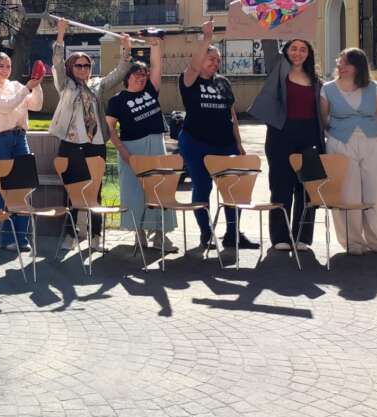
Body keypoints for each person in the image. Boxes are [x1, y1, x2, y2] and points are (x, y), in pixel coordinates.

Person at [50, 21, 133, 248]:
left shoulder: (97, 85)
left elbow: (119, 74)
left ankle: (95, 235)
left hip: (95, 144)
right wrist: (60, 33)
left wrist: (126, 49)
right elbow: (56, 63)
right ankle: (71, 234)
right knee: (71, 191)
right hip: (71, 143)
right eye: (79, 65)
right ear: (70, 67)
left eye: (87, 65)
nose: (84, 69)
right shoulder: (65, 84)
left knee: (95, 190)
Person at [178, 19, 258, 250]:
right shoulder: (189, 80)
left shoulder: (223, 82)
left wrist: (239, 143)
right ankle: (206, 233)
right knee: (203, 187)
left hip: (225, 144)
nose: (216, 62)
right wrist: (207, 39)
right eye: (211, 58)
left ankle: (233, 234)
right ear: (200, 59)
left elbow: (232, 114)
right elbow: (193, 67)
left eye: (218, 60)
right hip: (196, 142)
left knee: (234, 189)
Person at [320, 47, 377, 256]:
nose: (340, 65)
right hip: (340, 143)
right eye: (340, 62)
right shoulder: (327, 89)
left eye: (346, 62)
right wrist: (339, 133)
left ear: (358, 66)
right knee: (347, 194)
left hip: (372, 143)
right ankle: (353, 242)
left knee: (376, 193)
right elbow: (324, 118)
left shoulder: (374, 87)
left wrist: (368, 134)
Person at [249, 39, 323, 252]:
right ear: (286, 50)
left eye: (303, 49)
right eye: (293, 48)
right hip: (281, 134)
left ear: (309, 53)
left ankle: (303, 237)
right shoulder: (278, 68)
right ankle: (280, 236)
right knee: (281, 185)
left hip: (309, 135)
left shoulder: (316, 80)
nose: (298, 53)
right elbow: (269, 42)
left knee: (306, 189)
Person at [105, 35, 177, 250]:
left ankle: (160, 236)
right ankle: (139, 234)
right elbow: (110, 129)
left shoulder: (150, 90)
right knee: (134, 192)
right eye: (137, 74)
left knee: (158, 189)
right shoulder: (117, 101)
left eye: (144, 74)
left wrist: (155, 45)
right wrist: (123, 152)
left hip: (156, 144)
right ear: (127, 77)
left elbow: (157, 65)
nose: (142, 77)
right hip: (131, 148)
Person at [0, 50, 44, 251]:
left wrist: (38, 83)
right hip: (0, 139)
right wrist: (27, 88)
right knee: (2, 189)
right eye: (1, 65)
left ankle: (22, 238)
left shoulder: (16, 86)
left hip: (20, 137)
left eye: (8, 66)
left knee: (22, 186)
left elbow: (37, 105)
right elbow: (6, 107)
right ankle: (6, 239)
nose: (5, 70)